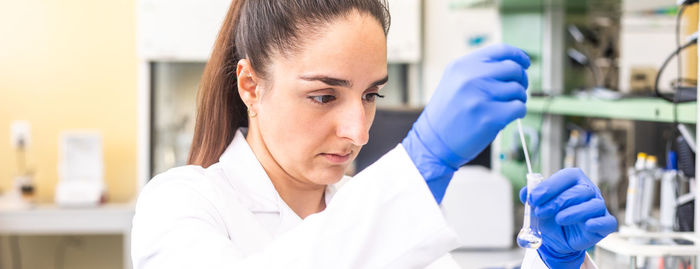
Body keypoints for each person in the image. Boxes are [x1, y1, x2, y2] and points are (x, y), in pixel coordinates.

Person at [131, 0, 618, 268]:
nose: (357, 131)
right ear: (250, 85)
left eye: (370, 95)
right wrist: (424, 159)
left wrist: (553, 261)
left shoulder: (366, 209)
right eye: (324, 96)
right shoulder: (181, 204)